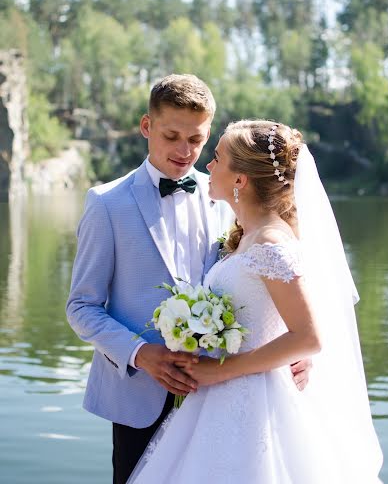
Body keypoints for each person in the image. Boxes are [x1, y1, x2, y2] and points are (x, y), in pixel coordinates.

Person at [66, 76, 311, 484]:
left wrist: (293, 349)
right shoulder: (106, 204)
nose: (184, 151)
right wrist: (141, 353)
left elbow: (268, 283)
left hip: (224, 391)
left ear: (209, 134)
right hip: (139, 394)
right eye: (171, 136)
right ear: (147, 127)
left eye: (196, 140)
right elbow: (81, 308)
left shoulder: (228, 193)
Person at [127, 119, 383, 484]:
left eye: (216, 158)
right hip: (221, 398)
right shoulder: (249, 236)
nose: (208, 166)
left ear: (240, 180)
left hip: (256, 401)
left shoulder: (271, 244)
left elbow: (308, 337)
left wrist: (222, 369)